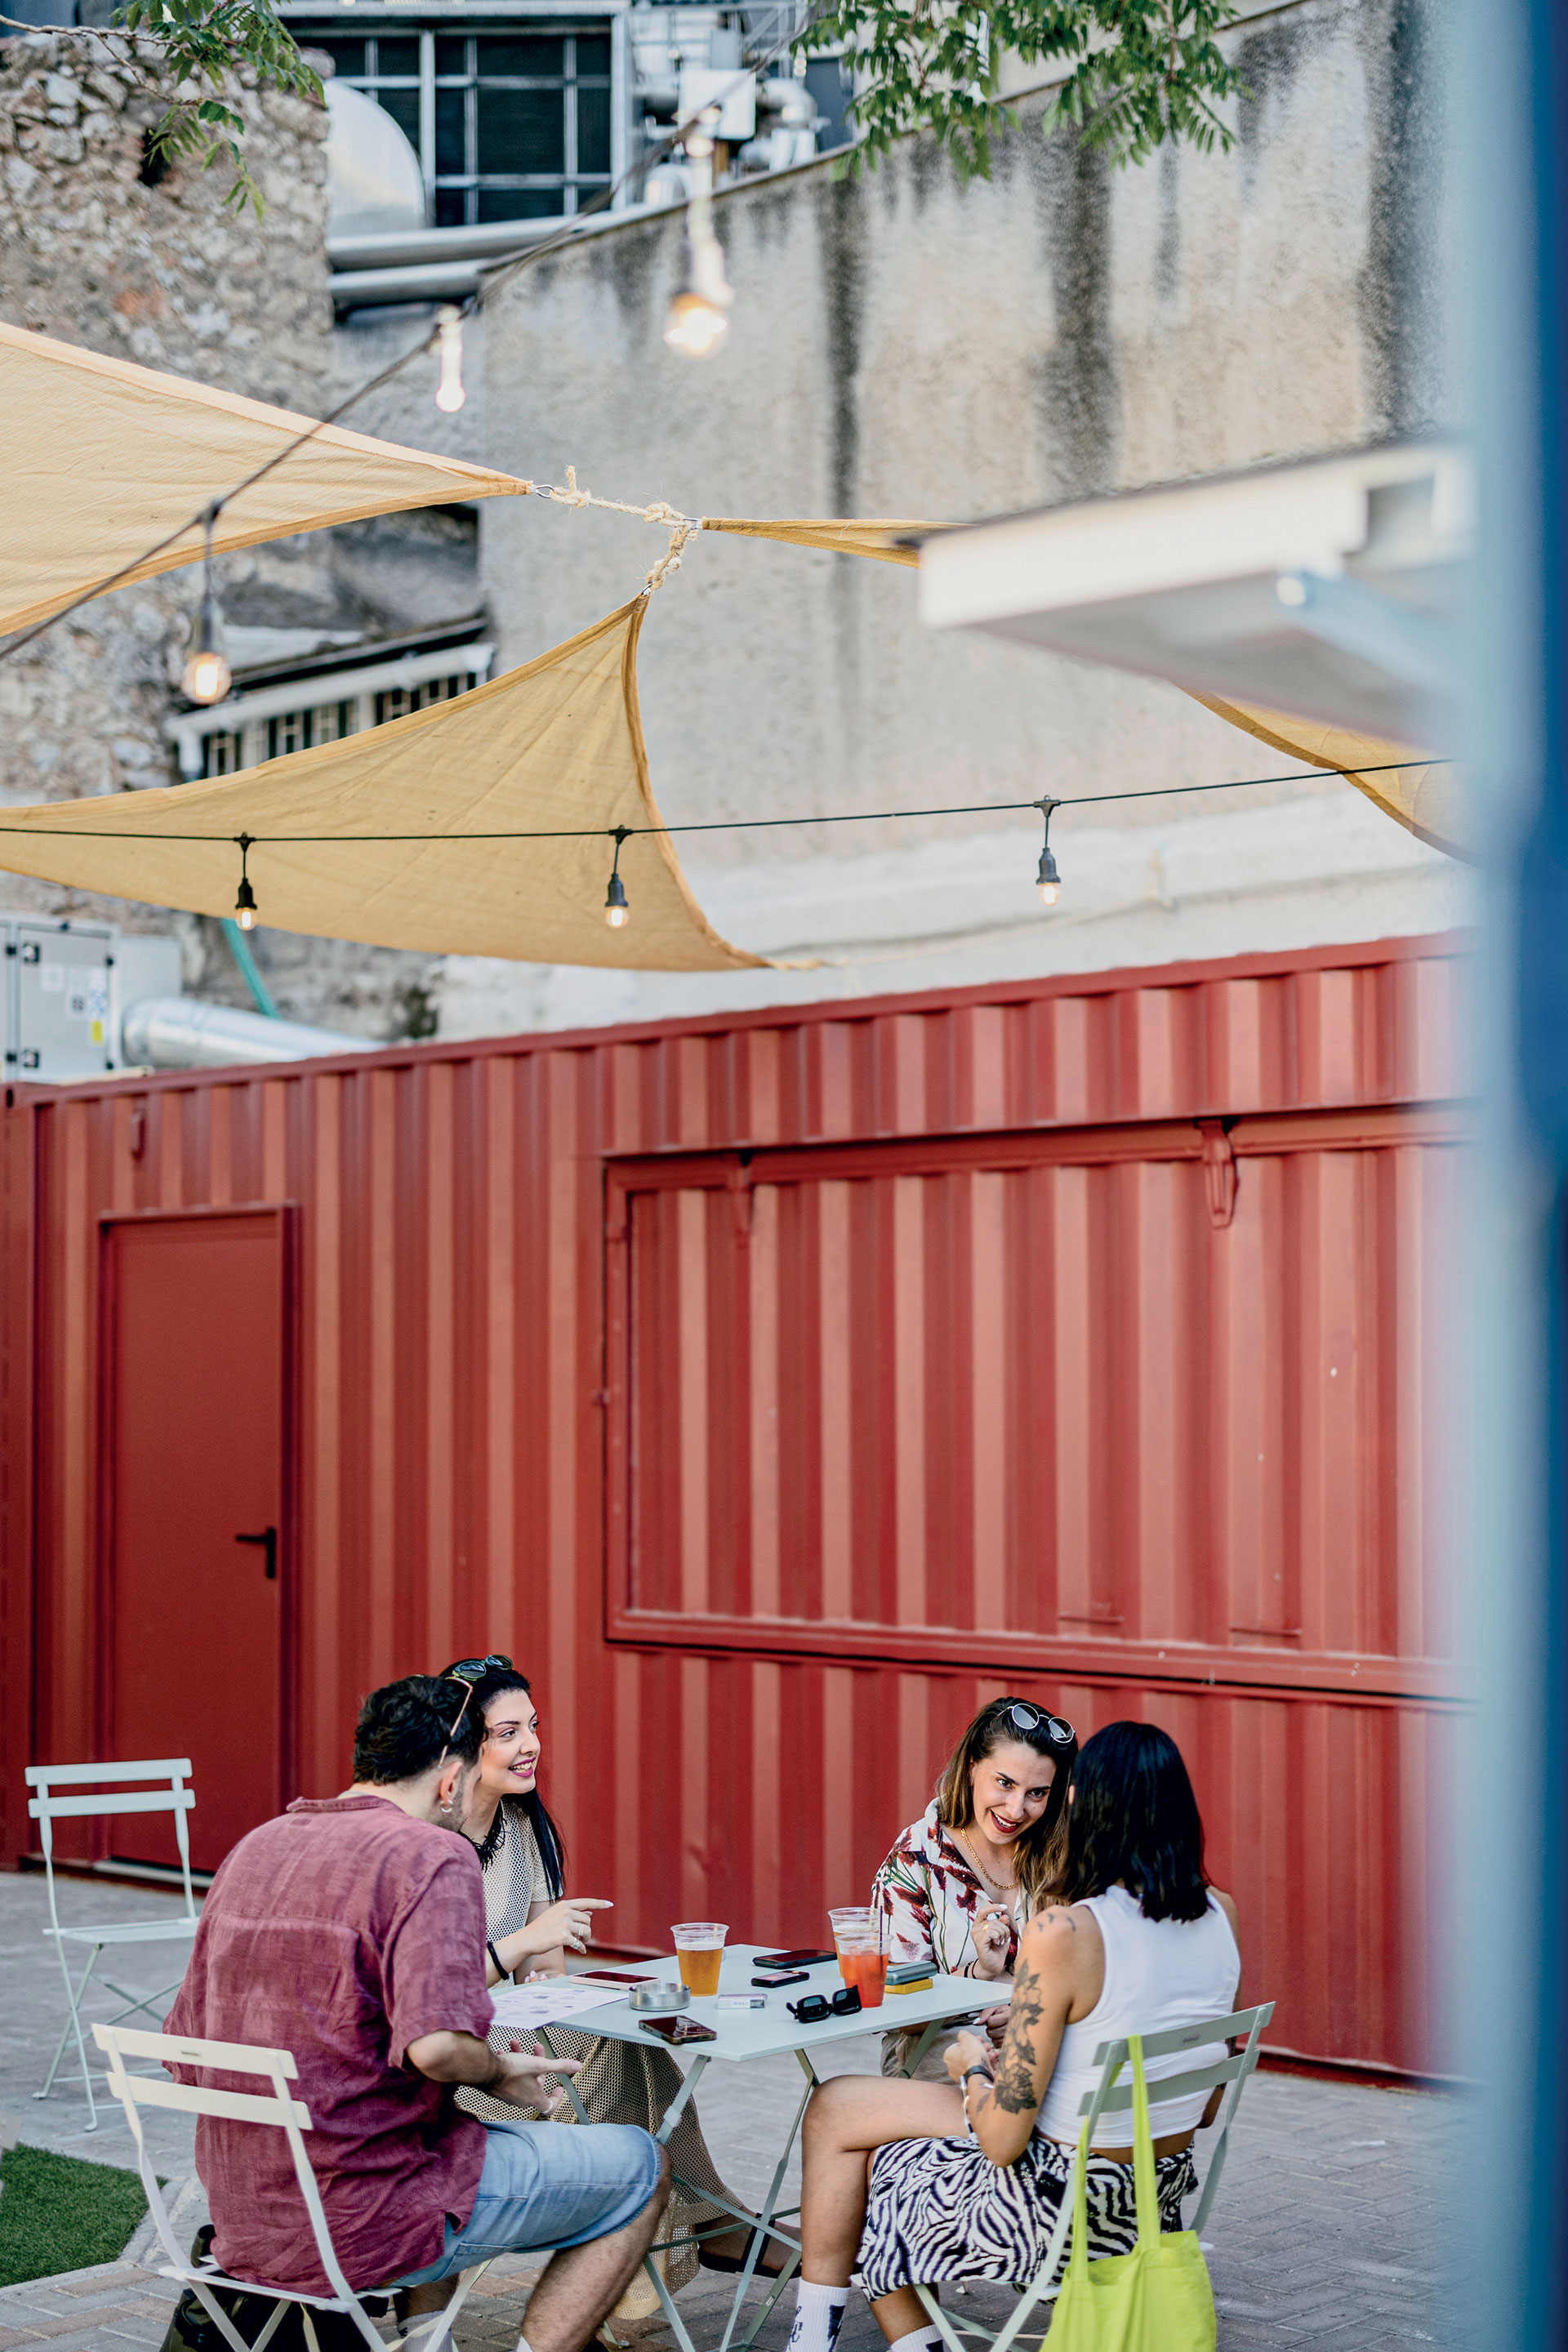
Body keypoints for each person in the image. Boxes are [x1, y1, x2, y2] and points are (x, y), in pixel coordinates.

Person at [163, 1676, 670, 2352]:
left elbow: (182, 2051)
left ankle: (423, 2332)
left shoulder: (255, 1846)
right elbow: (435, 2048)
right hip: (374, 2212)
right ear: (449, 1779)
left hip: (248, 2216)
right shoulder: (430, 1854)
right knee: (641, 2162)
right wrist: (498, 2071)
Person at [785, 1722, 1241, 2352]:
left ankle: (850, 2340)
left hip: (1053, 2205)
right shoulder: (1222, 1913)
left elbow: (1001, 2144)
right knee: (854, 2116)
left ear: (1079, 1803)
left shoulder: (1068, 1931)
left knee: (857, 2134)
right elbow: (1209, 2101)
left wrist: (972, 2065)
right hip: (1152, 2194)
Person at [438, 1655, 783, 2301]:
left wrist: (578, 1987)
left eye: (533, 1726)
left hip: (515, 2032)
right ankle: (698, 2229)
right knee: (615, 2053)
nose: (531, 1744)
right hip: (459, 2062)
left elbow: (545, 1977)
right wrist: (522, 1946)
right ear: (461, 1745)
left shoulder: (523, 1825)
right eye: (507, 1732)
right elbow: (433, 1993)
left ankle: (655, 2249)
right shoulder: (427, 1839)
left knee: (627, 2030)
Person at [870, 1697, 1077, 2075]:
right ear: (971, 1768)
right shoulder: (916, 1859)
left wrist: (1029, 2010)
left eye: (1037, 1793)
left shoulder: (1064, 1858)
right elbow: (900, 2014)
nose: (1016, 1810)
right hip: (938, 2056)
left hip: (1044, 2049)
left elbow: (1098, 1974)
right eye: (1004, 1783)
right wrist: (979, 1974)